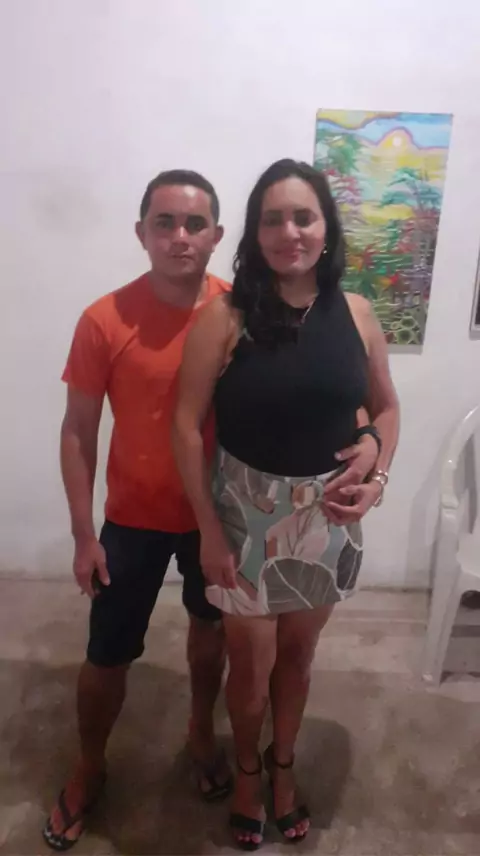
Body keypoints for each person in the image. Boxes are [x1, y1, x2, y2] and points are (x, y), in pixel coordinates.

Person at [173, 159, 400, 849]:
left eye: (303, 217)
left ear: (326, 228)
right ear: (254, 232)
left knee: (298, 659)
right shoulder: (225, 317)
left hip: (328, 520)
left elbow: (386, 409)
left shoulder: (357, 314)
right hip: (244, 520)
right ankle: (247, 772)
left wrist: (377, 472)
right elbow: (184, 426)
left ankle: (283, 766)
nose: (289, 232)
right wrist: (208, 532)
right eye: (272, 219)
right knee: (250, 670)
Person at [43, 170, 233, 851]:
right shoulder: (105, 319)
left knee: (211, 633)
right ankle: (90, 765)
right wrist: (82, 534)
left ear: (216, 235)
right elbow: (78, 429)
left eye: (194, 224)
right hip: (132, 519)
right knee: (107, 654)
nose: (180, 237)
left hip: (217, 517)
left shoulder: (238, 314)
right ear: (141, 233)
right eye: (164, 223)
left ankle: (201, 732)